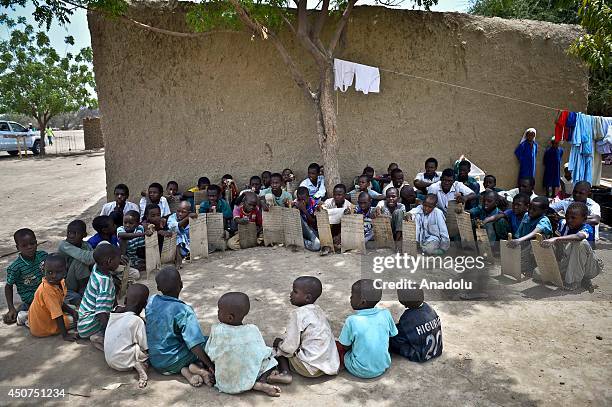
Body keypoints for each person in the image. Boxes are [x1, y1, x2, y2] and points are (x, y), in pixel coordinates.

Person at [145, 265, 215, 387]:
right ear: (181, 285)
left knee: (178, 337)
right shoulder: (184, 311)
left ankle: (189, 370)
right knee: (209, 341)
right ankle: (198, 366)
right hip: (173, 361)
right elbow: (195, 345)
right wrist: (210, 365)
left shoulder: (152, 301)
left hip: (156, 362)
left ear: (158, 288)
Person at [205, 292, 282, 397]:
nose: (217, 313)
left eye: (219, 310)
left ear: (230, 317)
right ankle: (261, 382)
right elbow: (261, 352)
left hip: (225, 382)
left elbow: (209, 352)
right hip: (249, 375)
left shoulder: (218, 330)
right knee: (271, 360)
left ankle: (253, 384)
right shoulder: (252, 329)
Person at [273, 276, 339, 382]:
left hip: (308, 368)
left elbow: (290, 346)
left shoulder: (297, 314)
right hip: (329, 365)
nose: (290, 294)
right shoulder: (319, 310)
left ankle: (285, 373)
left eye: (295, 292)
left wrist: (280, 345)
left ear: (307, 298)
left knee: (279, 347)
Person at [337, 279, 398, 379]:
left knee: (337, 347)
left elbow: (345, 345)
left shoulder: (352, 320)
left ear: (362, 302)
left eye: (352, 295)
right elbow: (393, 334)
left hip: (359, 369)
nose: (350, 298)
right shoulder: (386, 313)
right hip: (383, 365)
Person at [542, 202, 603, 291]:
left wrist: (555, 239)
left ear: (584, 219)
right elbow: (559, 250)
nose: (569, 220)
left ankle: (573, 282)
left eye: (573, 218)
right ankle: (580, 280)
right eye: (567, 216)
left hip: (589, 267)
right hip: (568, 264)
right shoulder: (563, 224)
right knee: (538, 273)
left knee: (580, 243)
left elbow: (578, 237)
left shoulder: (587, 227)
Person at [104, 283, 150, 388]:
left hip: (109, 360)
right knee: (144, 352)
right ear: (144, 305)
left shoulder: (115, 311)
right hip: (124, 363)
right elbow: (145, 346)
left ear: (125, 300)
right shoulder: (137, 321)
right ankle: (142, 368)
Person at [77, 243, 122, 350]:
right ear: (109, 262)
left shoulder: (97, 267)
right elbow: (101, 314)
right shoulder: (104, 285)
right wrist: (109, 333)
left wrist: (115, 308)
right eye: (118, 260)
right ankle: (99, 337)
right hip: (90, 325)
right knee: (118, 332)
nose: (119, 262)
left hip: (84, 319)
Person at [25, 254, 78, 340]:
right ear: (43, 271)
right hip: (43, 328)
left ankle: (25, 318)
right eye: (49, 272)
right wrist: (65, 335)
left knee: (73, 310)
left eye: (58, 272)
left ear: (65, 272)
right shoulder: (47, 290)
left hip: (40, 318)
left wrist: (72, 311)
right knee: (79, 319)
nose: (53, 276)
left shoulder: (61, 282)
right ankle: (31, 322)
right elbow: (58, 315)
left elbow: (59, 302)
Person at [3, 229, 46, 325]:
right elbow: (8, 286)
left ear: (36, 243)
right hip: (31, 297)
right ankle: (24, 315)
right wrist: (11, 308)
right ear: (18, 247)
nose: (29, 247)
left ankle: (28, 314)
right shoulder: (15, 267)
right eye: (24, 245)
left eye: (32, 243)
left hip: (46, 291)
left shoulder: (43, 256)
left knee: (71, 297)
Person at [389, 289, 442, 362]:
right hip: (438, 350)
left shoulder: (408, 317)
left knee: (391, 341)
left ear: (404, 302)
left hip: (420, 355)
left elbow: (398, 337)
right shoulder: (428, 307)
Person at [507, 197, 553, 277]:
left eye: (534, 209)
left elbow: (535, 233)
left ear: (544, 211)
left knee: (537, 238)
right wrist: (516, 242)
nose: (530, 211)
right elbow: (519, 233)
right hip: (524, 244)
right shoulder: (526, 216)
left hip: (539, 250)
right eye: (530, 208)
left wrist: (519, 241)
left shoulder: (544, 220)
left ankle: (533, 266)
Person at [58, 220, 94, 306]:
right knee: (79, 261)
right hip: (65, 283)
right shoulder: (64, 245)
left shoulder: (86, 245)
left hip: (79, 279)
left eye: (75, 233)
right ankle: (84, 290)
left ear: (84, 235)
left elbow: (93, 261)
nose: (71, 236)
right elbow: (88, 258)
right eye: (69, 232)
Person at [294, 187, 321, 252]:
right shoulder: (296, 204)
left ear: (309, 197)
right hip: (300, 229)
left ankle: (300, 240)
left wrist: (304, 210)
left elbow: (314, 223)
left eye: (304, 199)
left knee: (318, 244)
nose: (302, 202)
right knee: (316, 245)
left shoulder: (314, 204)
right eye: (299, 199)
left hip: (311, 229)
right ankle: (299, 239)